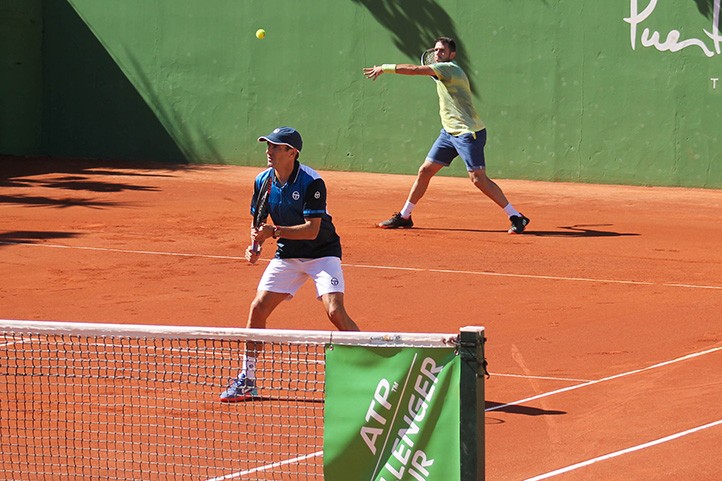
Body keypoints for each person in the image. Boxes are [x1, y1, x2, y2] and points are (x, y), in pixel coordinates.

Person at [220, 126, 360, 402]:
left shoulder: (311, 182)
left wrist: (273, 232)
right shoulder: (263, 180)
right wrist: (256, 246)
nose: (268, 151)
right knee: (258, 308)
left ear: (292, 153)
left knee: (335, 311)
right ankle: (247, 379)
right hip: (287, 255)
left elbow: (311, 230)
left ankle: (372, 368)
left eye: (275, 147)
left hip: (322, 253)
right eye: (268, 146)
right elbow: (258, 221)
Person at [363, 36, 530, 234]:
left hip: (469, 134)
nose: (437, 54)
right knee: (425, 171)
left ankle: (516, 216)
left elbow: (415, 70)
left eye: (442, 50)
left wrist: (385, 67)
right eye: (435, 50)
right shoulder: (442, 70)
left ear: (452, 54)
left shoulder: (449, 68)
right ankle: (405, 216)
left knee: (478, 179)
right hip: (449, 133)